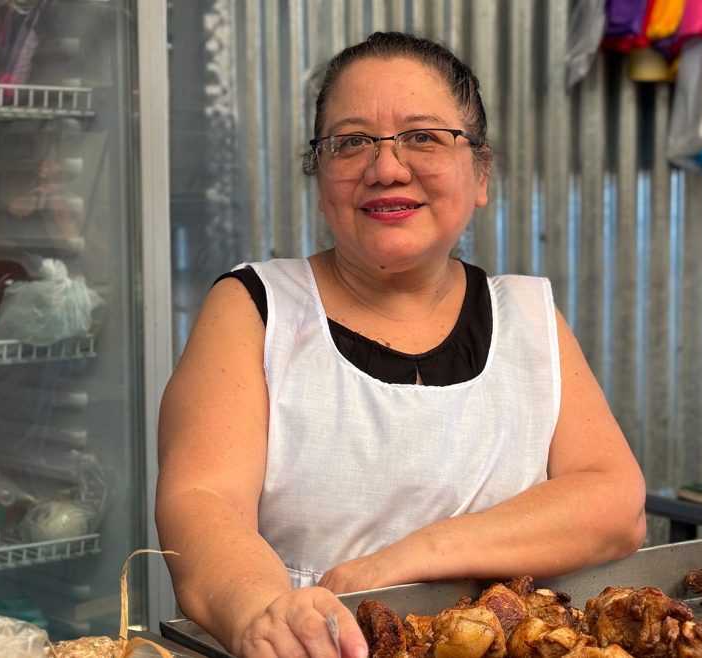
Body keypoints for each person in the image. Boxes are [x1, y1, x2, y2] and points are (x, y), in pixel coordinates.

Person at [155, 31, 647, 658]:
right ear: (320, 173)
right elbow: (202, 500)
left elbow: (614, 504)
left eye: (424, 136)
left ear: (480, 174)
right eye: (352, 141)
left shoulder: (527, 316)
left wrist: (411, 559)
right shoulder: (256, 307)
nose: (387, 168)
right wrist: (263, 613)